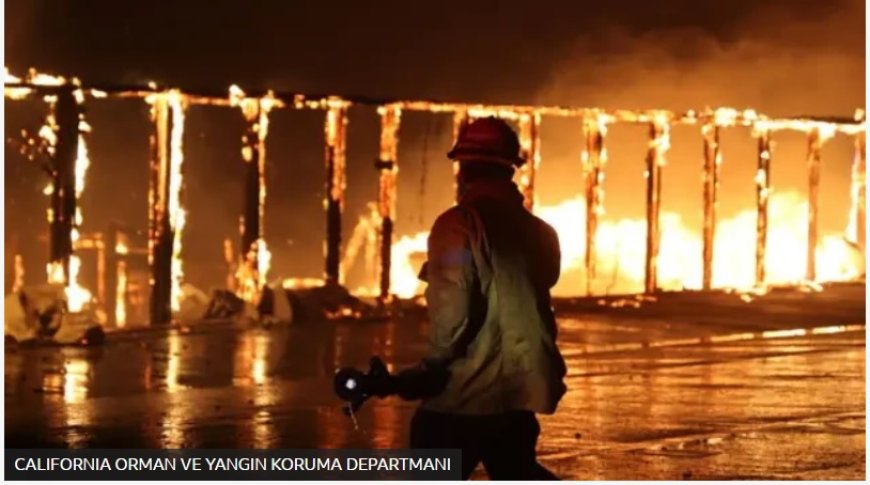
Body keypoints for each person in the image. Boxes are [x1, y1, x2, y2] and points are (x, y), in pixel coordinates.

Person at [400, 117, 567, 480]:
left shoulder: (457, 225)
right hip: (518, 395)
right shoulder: (539, 231)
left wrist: (431, 367)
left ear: (464, 168)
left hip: (463, 395)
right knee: (516, 470)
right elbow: (542, 282)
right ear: (510, 169)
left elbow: (453, 311)